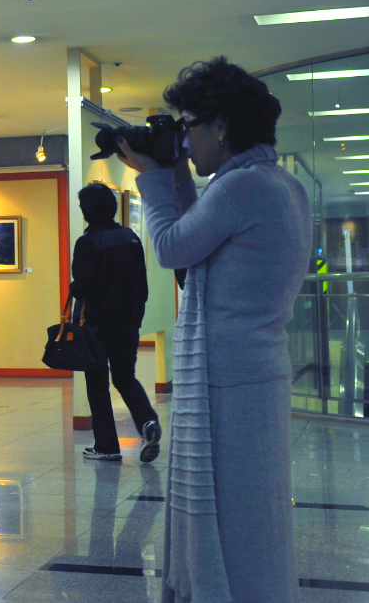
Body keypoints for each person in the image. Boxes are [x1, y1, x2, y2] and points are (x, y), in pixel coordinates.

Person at [116, 57, 312, 603]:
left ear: (221, 127)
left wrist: (153, 177)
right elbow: (200, 235)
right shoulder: (279, 184)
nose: (185, 139)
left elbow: (172, 246)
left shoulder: (239, 189)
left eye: (190, 126)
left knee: (230, 513)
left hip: (228, 378)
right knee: (253, 511)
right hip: (256, 371)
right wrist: (177, 174)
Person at [68, 182, 161, 463]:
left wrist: (74, 287)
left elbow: (82, 286)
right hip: (128, 321)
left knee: (97, 383)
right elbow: (141, 282)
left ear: (89, 210)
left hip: (96, 324)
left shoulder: (88, 242)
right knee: (125, 377)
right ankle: (147, 422)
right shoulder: (130, 237)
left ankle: (107, 446)